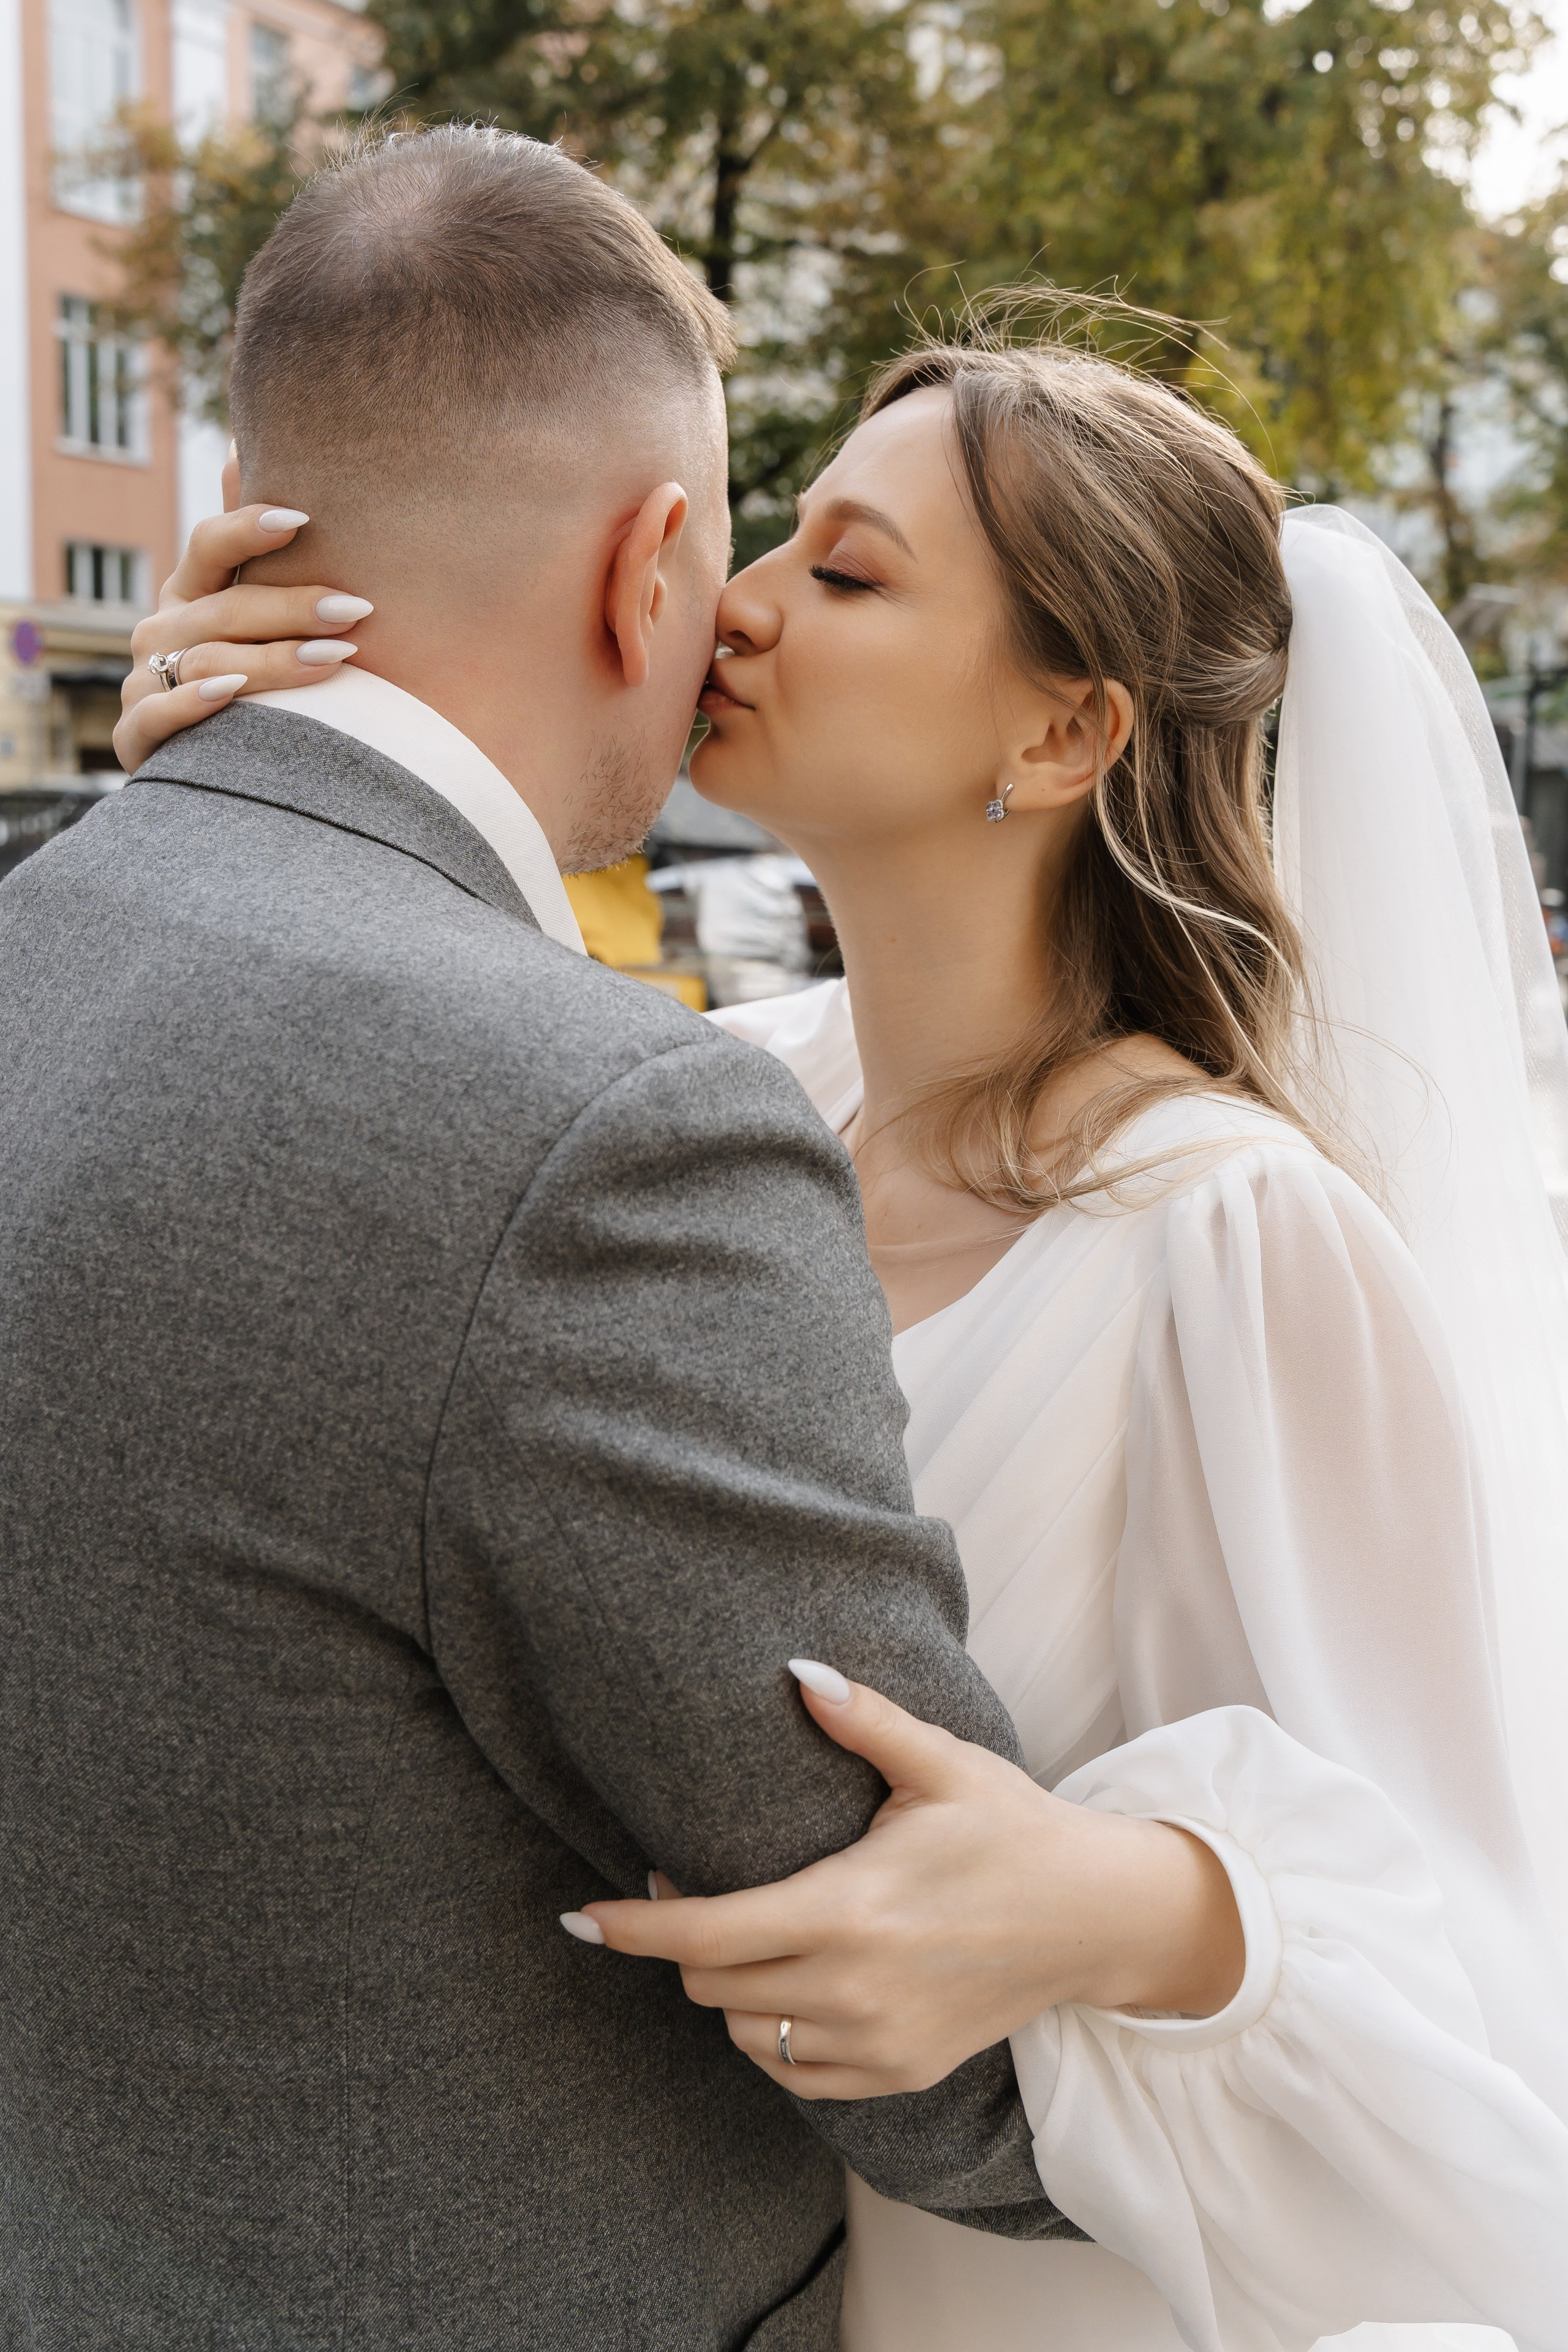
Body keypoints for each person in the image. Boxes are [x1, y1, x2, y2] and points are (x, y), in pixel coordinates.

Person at [122, 307, 1568, 2352]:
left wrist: (1127, 1901)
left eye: (850, 571)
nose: (745, 596)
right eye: (777, 534)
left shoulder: (1239, 1238)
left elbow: (1476, 1942)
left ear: (1064, 734)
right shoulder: (723, 1102)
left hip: (1063, 2277)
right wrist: (248, 795)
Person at [0, 128, 1110, 2352]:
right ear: (651, 562)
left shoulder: (43, 933)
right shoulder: (605, 1132)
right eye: (744, 554)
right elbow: (935, 2024)